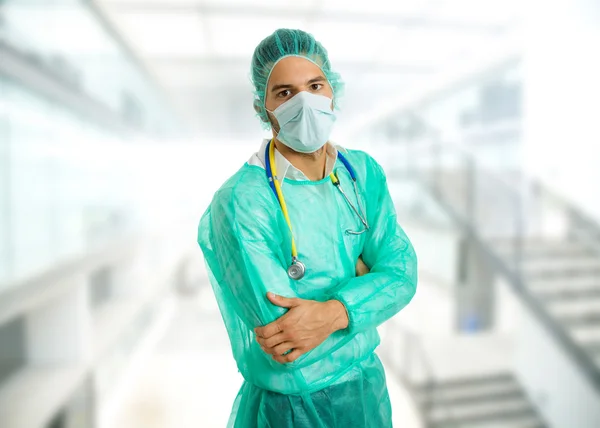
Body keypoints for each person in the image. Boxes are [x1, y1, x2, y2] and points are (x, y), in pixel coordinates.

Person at [197, 28, 418, 428]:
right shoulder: (240, 202)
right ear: (263, 108)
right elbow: (285, 340)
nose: (304, 102)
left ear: (332, 90)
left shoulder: (362, 174)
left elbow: (403, 275)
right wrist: (363, 286)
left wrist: (332, 311)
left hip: (367, 395)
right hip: (290, 409)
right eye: (284, 93)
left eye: (315, 85)